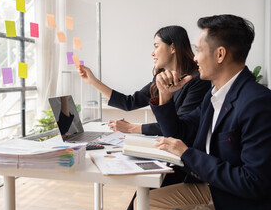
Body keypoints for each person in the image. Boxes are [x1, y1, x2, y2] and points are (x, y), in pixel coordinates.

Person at [142, 14, 271, 210]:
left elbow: (253, 183)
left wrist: (187, 154)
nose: (194, 57)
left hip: (238, 201)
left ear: (220, 54)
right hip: (212, 187)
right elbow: (179, 133)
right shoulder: (214, 96)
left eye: (199, 50)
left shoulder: (257, 102)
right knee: (143, 204)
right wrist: (165, 96)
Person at [78, 25, 210, 136]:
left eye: (156, 46)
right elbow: (129, 102)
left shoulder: (198, 80)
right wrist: (93, 81)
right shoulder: (161, 78)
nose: (153, 53)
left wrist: (132, 128)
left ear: (173, 48)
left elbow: (179, 127)